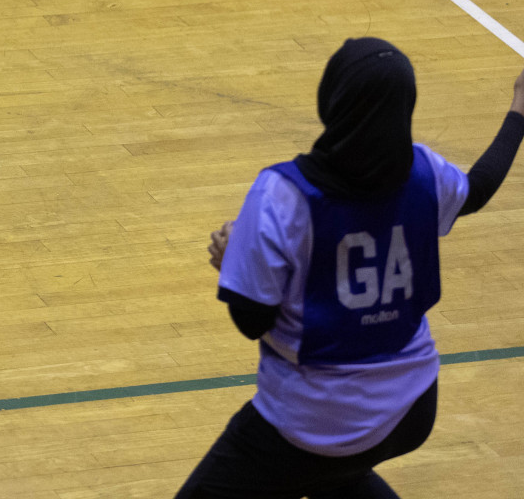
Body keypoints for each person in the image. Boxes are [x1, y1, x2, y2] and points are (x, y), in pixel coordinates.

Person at [179, 38, 524, 499]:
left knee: (308, 466)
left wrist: (234, 261)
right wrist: (519, 109)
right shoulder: (427, 172)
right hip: (410, 409)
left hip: (313, 422)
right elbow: (477, 189)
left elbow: (251, 320)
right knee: (339, 476)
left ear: (332, 98)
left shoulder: (283, 194)